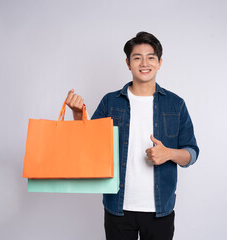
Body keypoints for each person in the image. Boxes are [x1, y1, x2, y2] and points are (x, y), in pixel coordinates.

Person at [66, 32, 199, 240]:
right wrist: (77, 114)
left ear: (160, 62)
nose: (144, 63)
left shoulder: (176, 104)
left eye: (151, 57)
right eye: (137, 57)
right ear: (128, 63)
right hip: (118, 208)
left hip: (160, 210)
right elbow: (88, 146)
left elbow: (191, 153)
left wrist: (168, 154)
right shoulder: (111, 102)